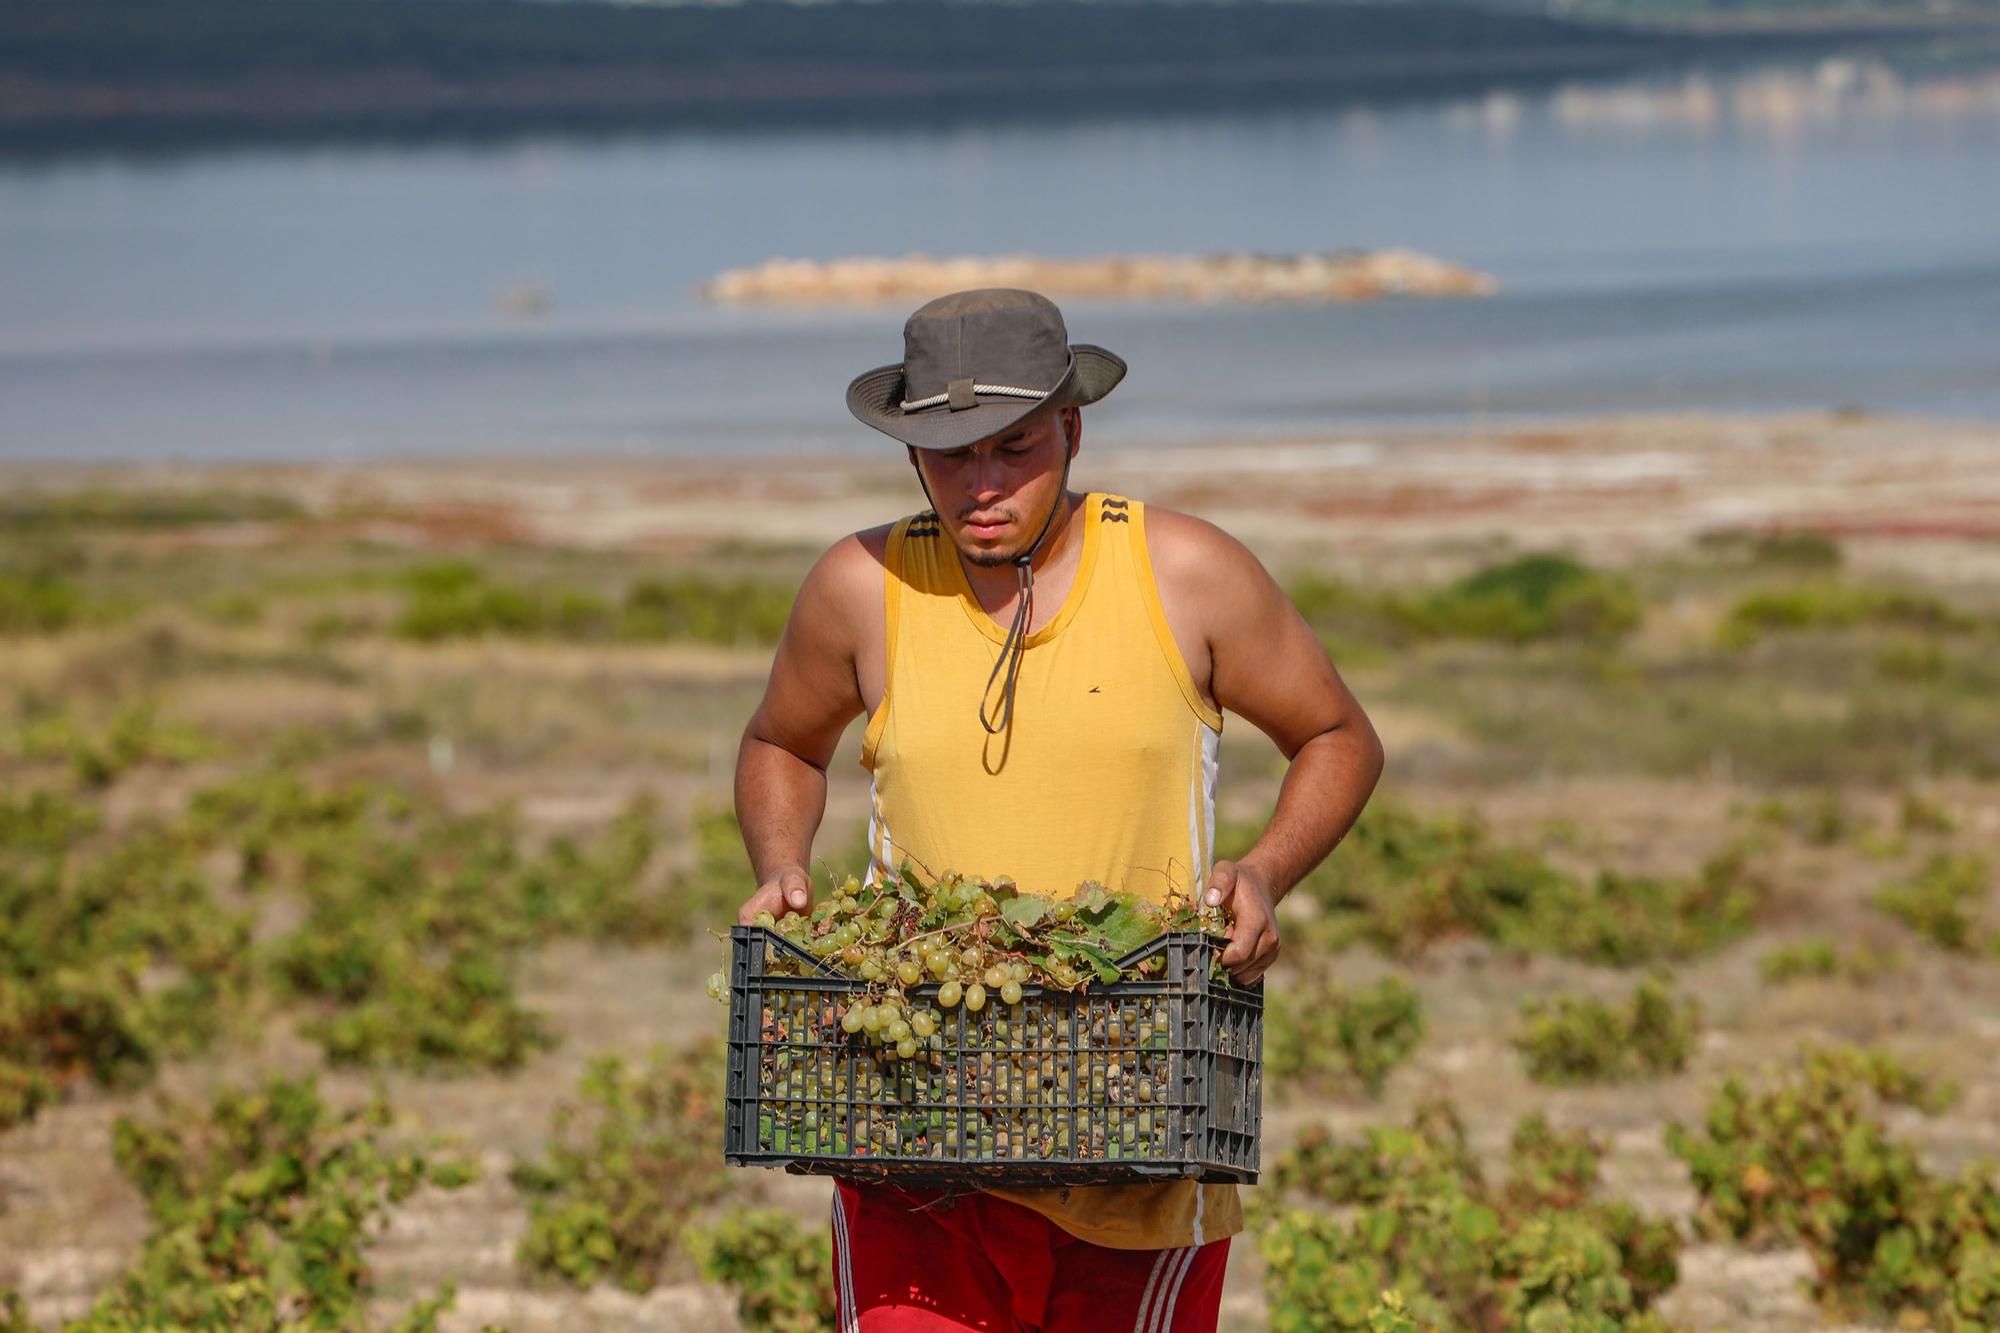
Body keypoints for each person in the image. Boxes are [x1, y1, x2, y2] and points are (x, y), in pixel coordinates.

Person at [734, 287, 1384, 1332]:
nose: (981, 486)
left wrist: (1264, 871)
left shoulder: (1184, 572)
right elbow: (779, 744)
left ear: (1070, 430)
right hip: (912, 1131)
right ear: (909, 456)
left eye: (1014, 448)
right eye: (950, 457)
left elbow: (1338, 737)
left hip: (1137, 1119)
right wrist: (780, 861)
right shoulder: (860, 586)